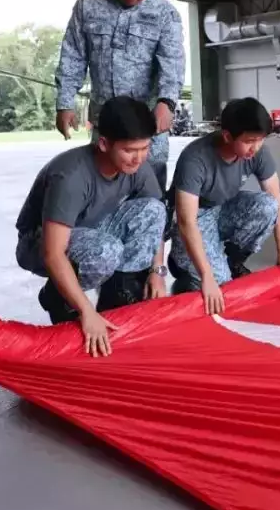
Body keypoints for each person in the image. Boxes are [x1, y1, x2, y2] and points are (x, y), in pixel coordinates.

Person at [16, 96, 168, 358]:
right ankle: (59, 296)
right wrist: (87, 311)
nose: (138, 157)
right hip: (38, 243)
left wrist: (157, 271)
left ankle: (118, 294)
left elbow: (155, 223)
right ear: (104, 143)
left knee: (154, 209)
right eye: (130, 150)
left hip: (93, 231)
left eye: (145, 148)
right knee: (104, 250)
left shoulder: (137, 166)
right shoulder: (70, 176)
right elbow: (53, 252)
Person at [53, 0, 185, 191]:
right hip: (106, 121)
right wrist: (64, 102)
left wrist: (167, 102)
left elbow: (173, 62)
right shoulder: (88, 5)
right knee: (100, 188)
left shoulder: (165, 14)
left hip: (148, 125)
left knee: (149, 195)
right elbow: (73, 55)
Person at [169, 97, 280, 314]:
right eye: (250, 141)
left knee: (267, 206)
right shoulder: (195, 159)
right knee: (220, 284)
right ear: (227, 136)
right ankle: (183, 265)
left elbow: (276, 199)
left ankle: (232, 260)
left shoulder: (258, 152)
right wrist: (207, 276)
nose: (255, 147)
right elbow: (186, 221)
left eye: (260, 140)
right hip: (198, 218)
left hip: (224, 207)